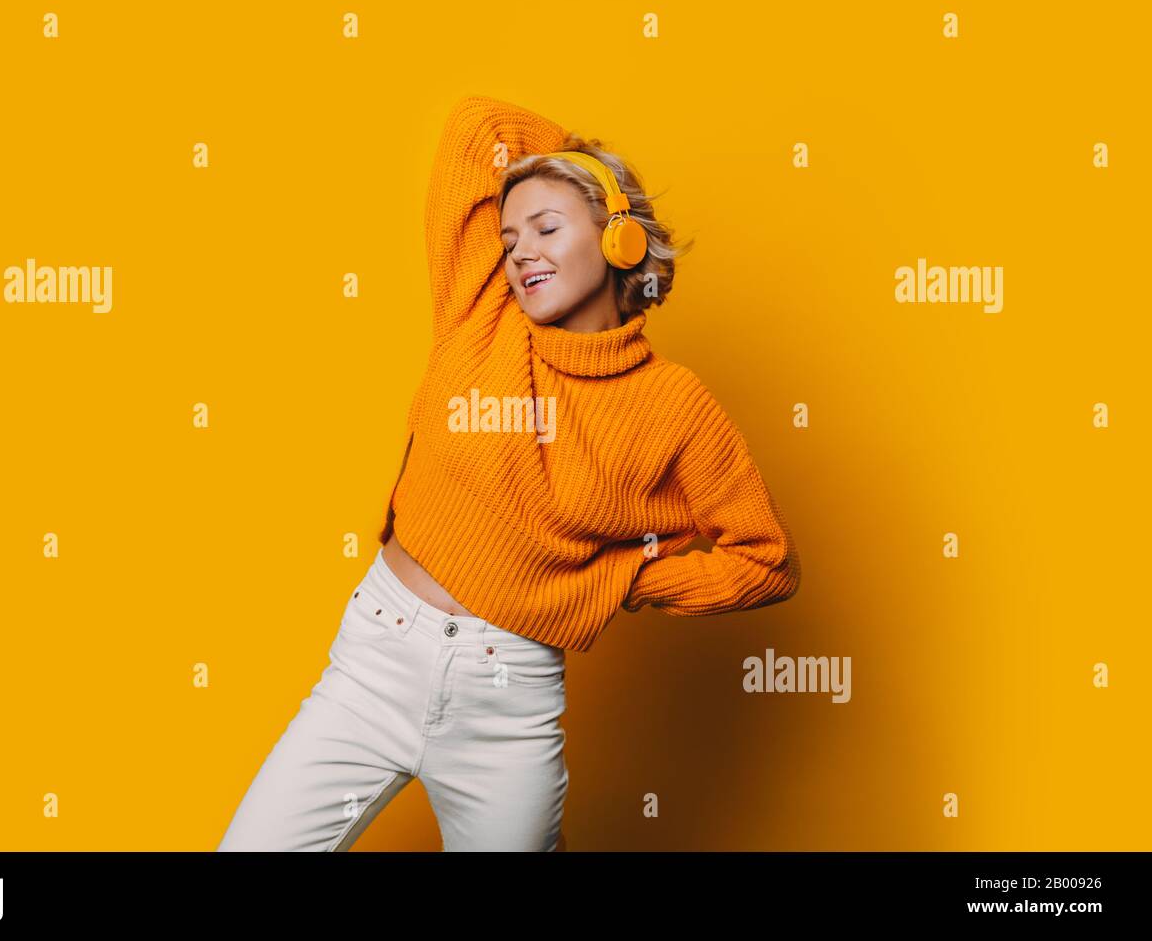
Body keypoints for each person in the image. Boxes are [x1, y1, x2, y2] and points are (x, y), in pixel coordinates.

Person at [217, 95, 801, 852]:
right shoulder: (481, 313)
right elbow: (476, 127)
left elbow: (767, 560)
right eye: (509, 236)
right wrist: (558, 170)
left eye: (549, 228)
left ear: (619, 240)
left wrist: (624, 581)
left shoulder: (674, 405)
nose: (521, 251)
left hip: (508, 702)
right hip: (376, 662)